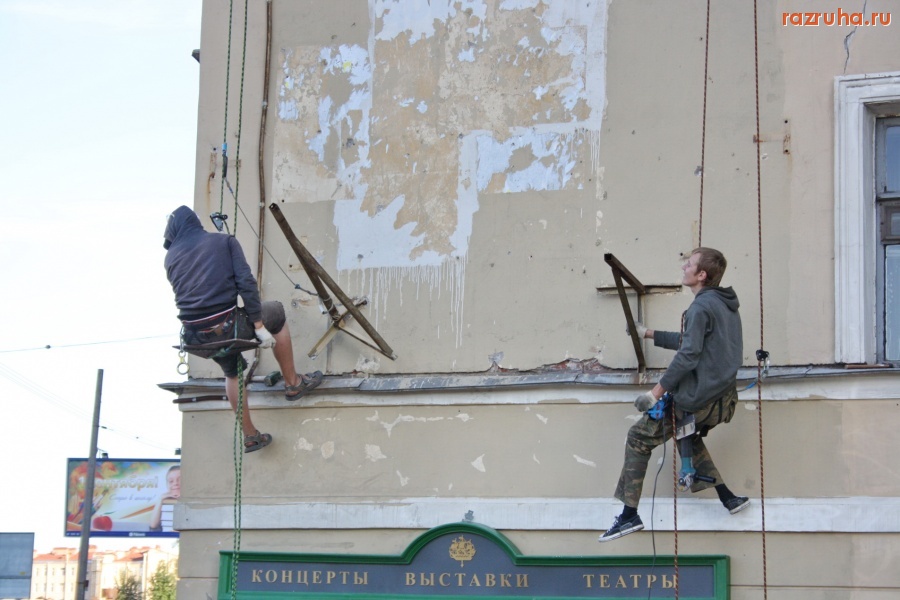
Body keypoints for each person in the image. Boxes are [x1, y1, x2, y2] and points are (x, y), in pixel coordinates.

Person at [599, 247, 750, 542]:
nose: (684, 267)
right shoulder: (725, 306)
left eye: (689, 264)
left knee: (638, 437)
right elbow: (691, 340)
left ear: (701, 275)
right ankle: (728, 498)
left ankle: (629, 516)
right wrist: (647, 333)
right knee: (686, 433)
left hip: (697, 399)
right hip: (722, 400)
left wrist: (655, 393)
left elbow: (689, 354)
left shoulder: (700, 308)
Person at [164, 205, 323, 453]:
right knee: (276, 313)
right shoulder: (223, 242)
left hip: (197, 336)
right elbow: (246, 284)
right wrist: (259, 325)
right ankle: (293, 383)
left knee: (232, 372)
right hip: (229, 326)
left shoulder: (171, 257)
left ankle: (250, 435)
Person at [149, 465, 181, 532]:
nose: (175, 483)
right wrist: (160, 499)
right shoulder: (165, 500)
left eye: (180, 480)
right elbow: (153, 525)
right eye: (171, 481)